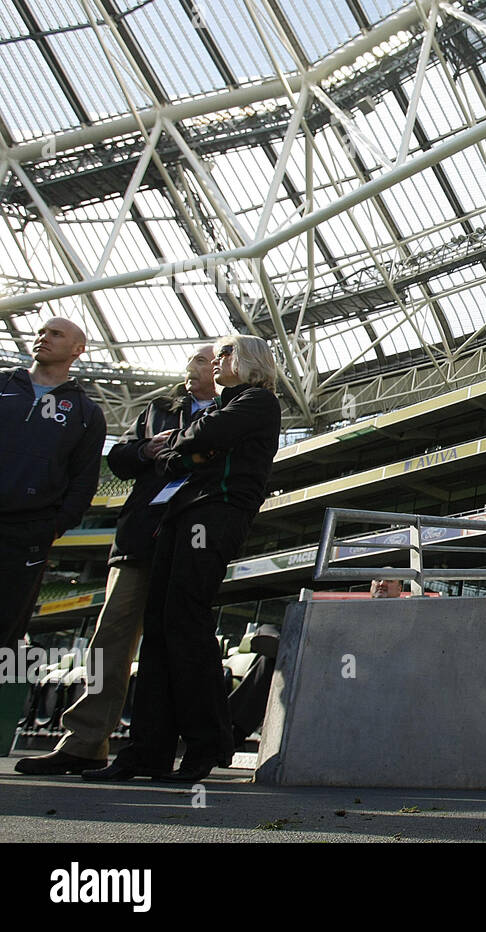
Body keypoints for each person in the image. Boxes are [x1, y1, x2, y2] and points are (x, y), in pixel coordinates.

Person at [85, 335, 282, 784]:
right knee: (157, 627)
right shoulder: (223, 406)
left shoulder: (258, 402)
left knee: (184, 622)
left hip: (217, 511)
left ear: (251, 360)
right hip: (179, 513)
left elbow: (201, 439)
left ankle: (207, 743)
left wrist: (189, 447)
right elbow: (178, 457)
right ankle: (147, 750)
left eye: (228, 353)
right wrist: (189, 449)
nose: (218, 361)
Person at [17, 348, 217, 776]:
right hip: (141, 537)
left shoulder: (234, 410)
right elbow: (119, 460)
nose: (192, 367)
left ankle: (168, 748)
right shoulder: (159, 410)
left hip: (192, 539)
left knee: (175, 642)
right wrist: (146, 450)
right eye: (191, 362)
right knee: (110, 639)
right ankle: (85, 742)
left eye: (202, 361)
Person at [1, 318, 106, 652]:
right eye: (41, 332)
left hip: (26, 535)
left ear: (78, 350)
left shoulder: (86, 413)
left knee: (6, 626)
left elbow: (84, 479)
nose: (43, 337)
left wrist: (53, 526)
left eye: (55, 334)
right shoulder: (2, 384)